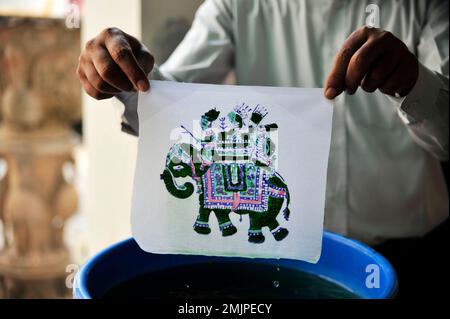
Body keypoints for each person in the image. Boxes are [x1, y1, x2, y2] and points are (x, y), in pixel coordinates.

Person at [76, 0, 448, 297]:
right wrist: (123, 78)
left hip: (411, 259)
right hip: (280, 268)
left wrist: (411, 81)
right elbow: (170, 112)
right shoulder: (237, 6)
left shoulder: (425, 6)